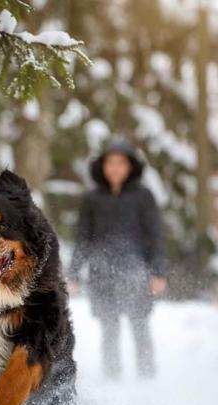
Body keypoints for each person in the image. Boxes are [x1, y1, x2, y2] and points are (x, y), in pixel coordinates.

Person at [68, 140, 167, 378]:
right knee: (109, 331)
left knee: (140, 327)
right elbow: (83, 237)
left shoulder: (144, 196)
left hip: (136, 273)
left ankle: (147, 380)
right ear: (102, 166)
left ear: (130, 166)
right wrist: (73, 274)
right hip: (101, 274)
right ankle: (113, 380)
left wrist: (159, 272)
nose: (114, 168)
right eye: (110, 162)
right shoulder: (91, 198)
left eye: (120, 163)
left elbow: (155, 235)